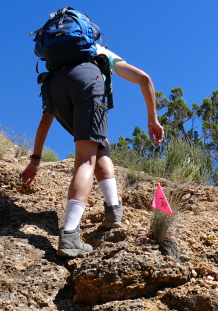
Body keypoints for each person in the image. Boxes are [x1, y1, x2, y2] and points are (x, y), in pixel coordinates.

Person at [19, 45, 165, 257]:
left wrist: (36, 159)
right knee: (87, 158)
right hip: (86, 80)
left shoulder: (58, 61)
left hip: (53, 84)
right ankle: (70, 235)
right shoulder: (97, 50)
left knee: (99, 144)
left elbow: (46, 119)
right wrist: (152, 119)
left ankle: (113, 211)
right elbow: (144, 79)